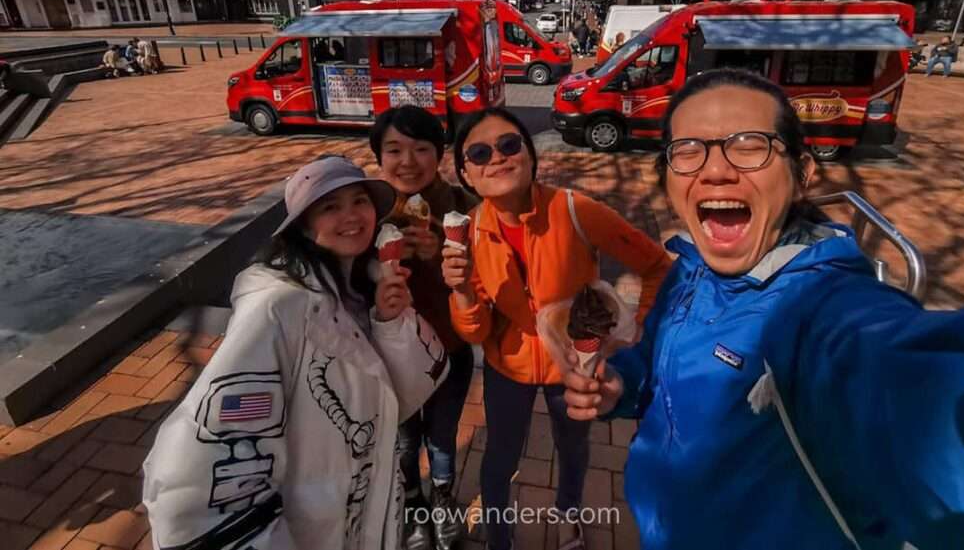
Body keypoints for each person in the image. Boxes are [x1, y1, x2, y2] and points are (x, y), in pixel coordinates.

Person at [562, 68, 964, 550]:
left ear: (802, 173)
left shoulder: (818, 311)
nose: (715, 170)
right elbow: (657, 359)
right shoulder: (691, 272)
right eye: (689, 150)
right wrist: (623, 387)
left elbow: (933, 388)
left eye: (748, 145)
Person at [143, 157, 451, 550]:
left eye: (360, 201)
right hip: (307, 529)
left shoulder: (361, 286)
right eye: (330, 207)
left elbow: (400, 400)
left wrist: (389, 322)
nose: (352, 216)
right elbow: (207, 457)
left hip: (360, 513)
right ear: (303, 226)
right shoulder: (277, 306)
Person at [441, 108, 672, 550]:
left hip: (576, 360)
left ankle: (569, 515)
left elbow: (657, 265)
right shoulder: (469, 234)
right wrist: (462, 292)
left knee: (573, 448)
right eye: (480, 152)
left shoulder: (574, 210)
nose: (498, 158)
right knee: (500, 456)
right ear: (467, 174)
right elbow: (474, 331)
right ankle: (499, 535)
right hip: (506, 364)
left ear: (530, 156)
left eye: (510, 145)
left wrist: (633, 335)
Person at [369, 106, 479, 550]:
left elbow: (488, 279)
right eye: (394, 149)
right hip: (389, 356)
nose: (408, 161)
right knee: (402, 438)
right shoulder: (366, 211)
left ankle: (443, 498)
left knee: (442, 435)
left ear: (440, 154)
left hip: (449, 350)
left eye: (421, 149)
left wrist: (444, 257)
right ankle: (413, 504)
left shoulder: (462, 206)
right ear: (379, 156)